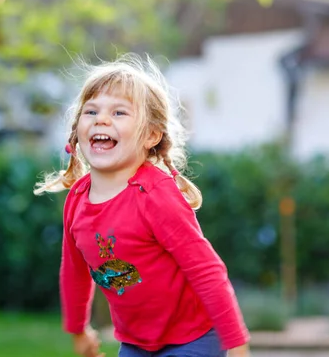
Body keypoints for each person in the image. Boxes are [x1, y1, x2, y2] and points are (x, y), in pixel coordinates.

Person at [34, 54, 250, 357]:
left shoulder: (155, 195)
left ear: (150, 135)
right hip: (137, 344)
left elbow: (206, 270)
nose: (102, 119)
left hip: (194, 338)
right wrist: (79, 330)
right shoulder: (77, 201)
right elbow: (74, 272)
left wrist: (236, 345)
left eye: (119, 112)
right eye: (91, 111)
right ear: (77, 132)